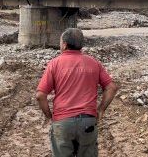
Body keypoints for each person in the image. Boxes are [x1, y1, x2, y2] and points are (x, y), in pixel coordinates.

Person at [36, 28, 118, 157]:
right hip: (88, 122)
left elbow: (40, 95)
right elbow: (111, 88)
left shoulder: (54, 64)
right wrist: (101, 109)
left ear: (64, 44)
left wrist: (49, 116)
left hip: (62, 122)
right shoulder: (93, 63)